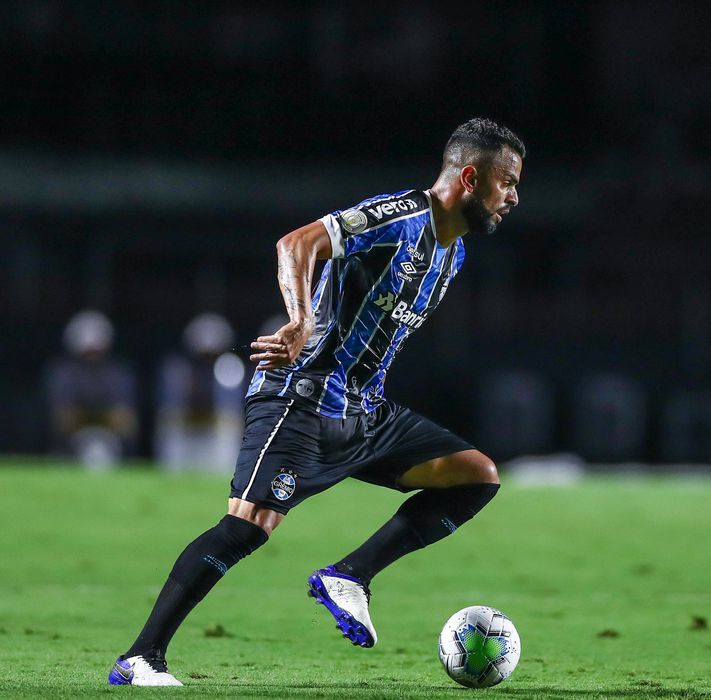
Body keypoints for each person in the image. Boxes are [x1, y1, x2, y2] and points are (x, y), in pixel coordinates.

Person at [109, 117, 525, 686]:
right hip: (299, 400)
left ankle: (350, 575)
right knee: (246, 528)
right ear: (471, 177)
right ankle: (140, 659)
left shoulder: (451, 255)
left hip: (364, 413)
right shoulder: (400, 216)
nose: (513, 197)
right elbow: (298, 243)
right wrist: (301, 320)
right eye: (507, 182)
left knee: (476, 475)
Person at [44, 310, 138, 468]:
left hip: (109, 440)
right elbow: (62, 419)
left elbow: (126, 421)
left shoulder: (118, 373)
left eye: (96, 350)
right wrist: (103, 418)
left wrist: (85, 418)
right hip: (68, 442)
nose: (92, 355)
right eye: (87, 351)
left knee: (98, 452)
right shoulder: (62, 373)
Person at [154, 313, 245, 472]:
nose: (206, 359)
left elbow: (232, 412)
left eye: (211, 354)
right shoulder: (177, 368)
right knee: (170, 435)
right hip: (184, 430)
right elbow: (169, 410)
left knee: (228, 437)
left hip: (216, 432)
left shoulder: (230, 366)